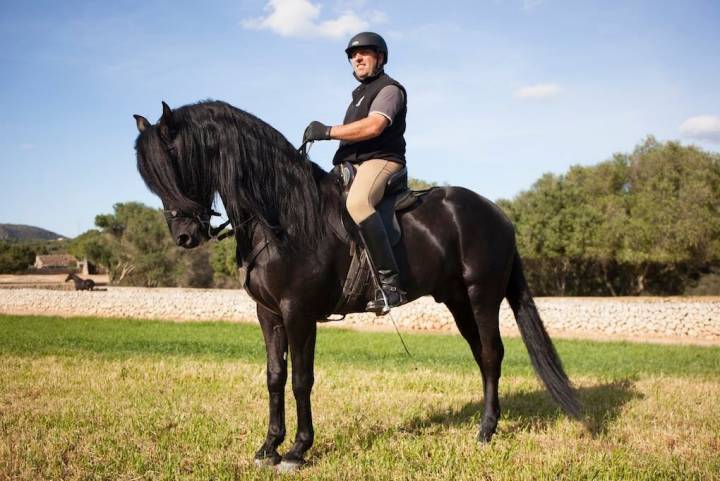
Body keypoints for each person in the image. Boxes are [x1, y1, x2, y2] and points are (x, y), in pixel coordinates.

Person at [303, 31, 408, 314]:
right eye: (353, 55)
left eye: (365, 53)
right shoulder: (358, 97)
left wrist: (327, 132)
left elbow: (374, 127)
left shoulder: (389, 89)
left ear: (381, 58)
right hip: (351, 166)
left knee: (358, 203)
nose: (357, 58)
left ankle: (390, 286)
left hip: (382, 161)